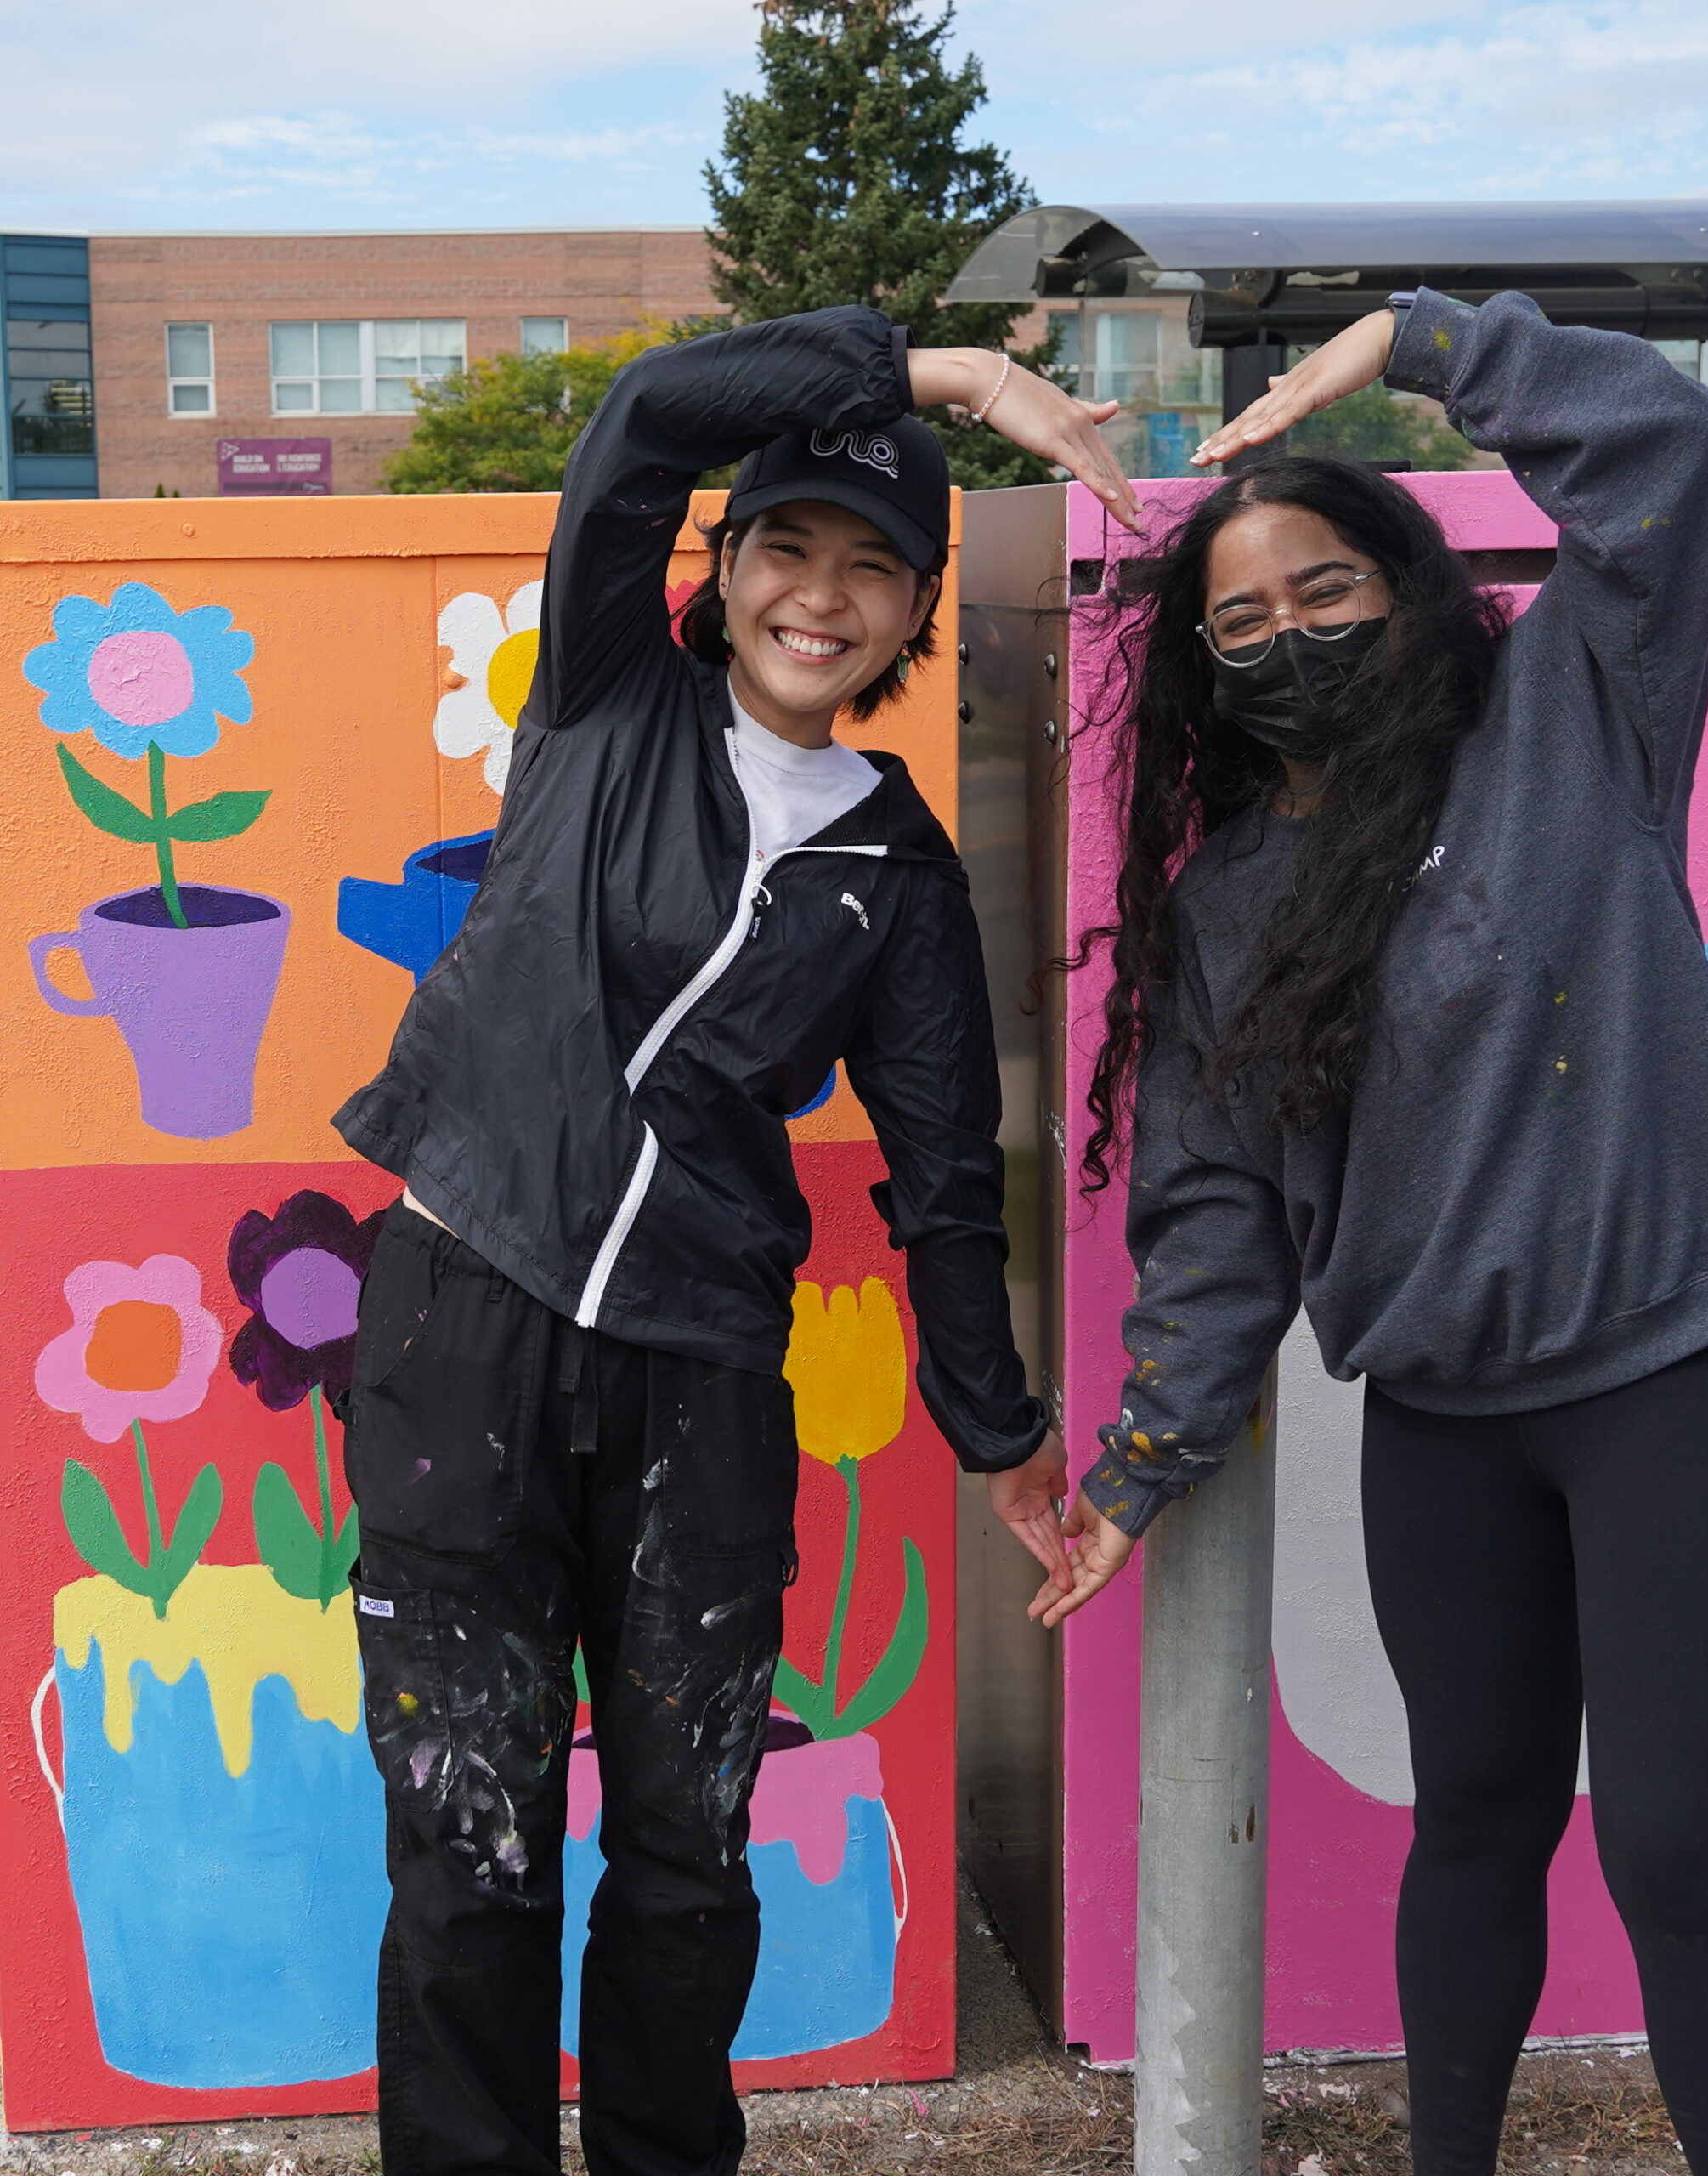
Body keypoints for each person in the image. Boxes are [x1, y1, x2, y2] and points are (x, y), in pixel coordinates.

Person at [330, 306, 1140, 2176]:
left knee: (689, 1850)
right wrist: (943, 380)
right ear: (723, 564)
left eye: (874, 567)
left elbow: (944, 1176)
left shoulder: (899, 866)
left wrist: (1000, 1434)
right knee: (472, 1836)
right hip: (464, 1326)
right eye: (788, 544)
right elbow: (645, 411)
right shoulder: (609, 689)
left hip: (700, 1381)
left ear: (914, 609)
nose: (822, 594)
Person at [1035, 290, 1708, 2176]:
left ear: (1401, 579)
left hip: (1683, 1373)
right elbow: (1218, 1208)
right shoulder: (1223, 899)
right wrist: (1139, 1462)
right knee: (1470, 1814)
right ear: (1199, 675)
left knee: (1670, 1839)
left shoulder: (1572, 711)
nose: (1285, 635)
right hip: (1447, 1420)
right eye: (1237, 622)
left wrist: (1408, 340)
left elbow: (1662, 453)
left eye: (1320, 589)